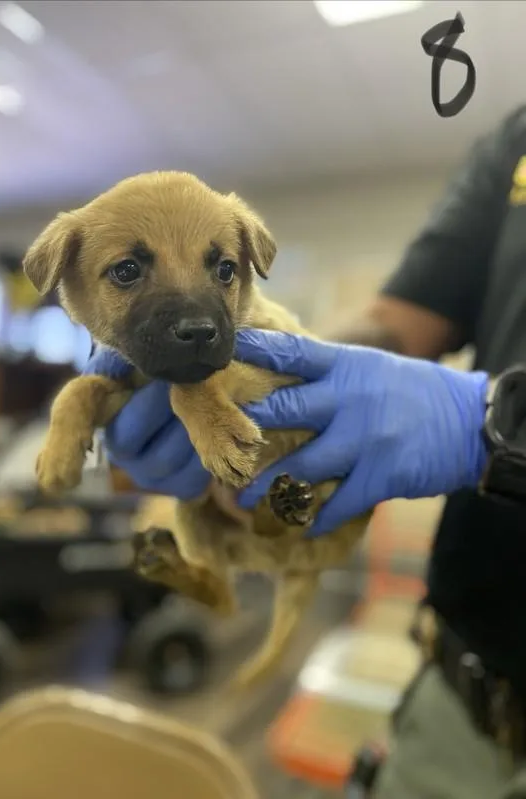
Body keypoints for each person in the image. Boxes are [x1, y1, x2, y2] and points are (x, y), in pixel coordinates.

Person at [87, 106, 526, 797]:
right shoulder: (516, 141)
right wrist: (295, 375)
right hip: (463, 695)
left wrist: (494, 423)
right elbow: (396, 323)